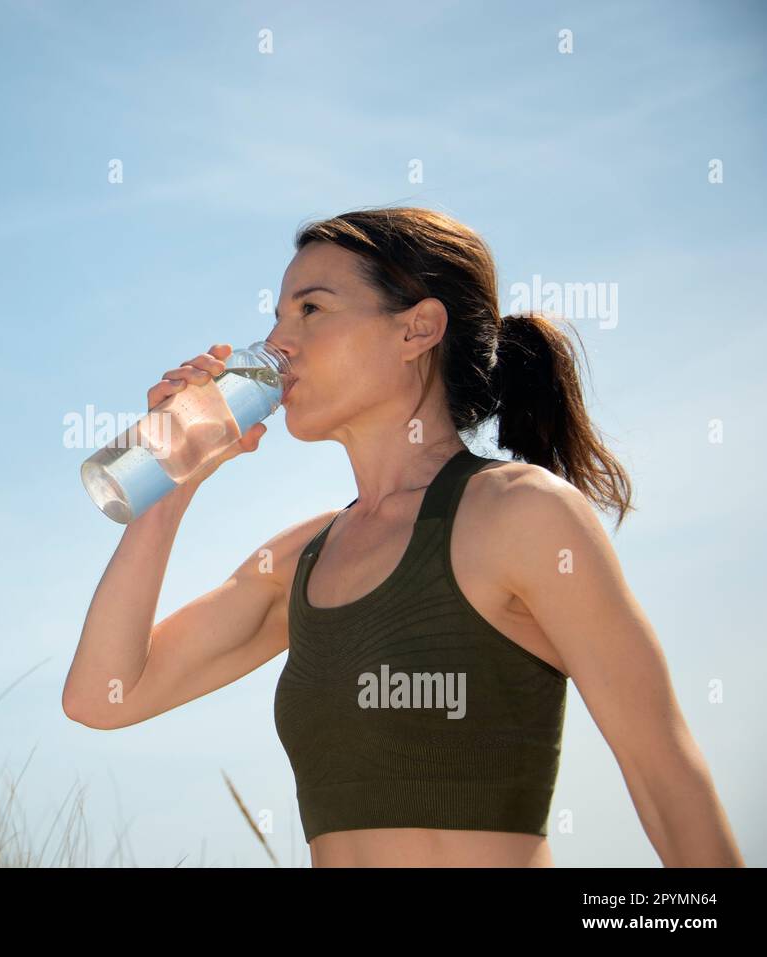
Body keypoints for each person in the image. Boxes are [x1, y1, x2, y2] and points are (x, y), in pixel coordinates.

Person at [62, 206, 743, 868]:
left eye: (311, 309)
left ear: (417, 329)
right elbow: (103, 695)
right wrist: (171, 481)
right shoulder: (302, 557)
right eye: (276, 316)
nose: (277, 344)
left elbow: (663, 771)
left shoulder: (522, 515)